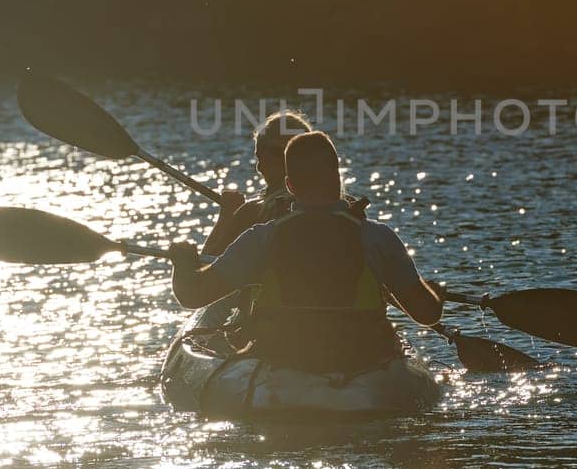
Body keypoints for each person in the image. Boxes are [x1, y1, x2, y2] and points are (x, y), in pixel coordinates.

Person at [169, 131, 443, 374]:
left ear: (289, 186)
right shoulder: (377, 237)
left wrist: (182, 261)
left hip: (284, 362)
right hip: (362, 361)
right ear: (337, 177)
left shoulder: (262, 237)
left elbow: (193, 295)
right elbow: (427, 314)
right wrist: (431, 294)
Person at [202, 109, 311, 256]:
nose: (259, 168)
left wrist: (227, 216)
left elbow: (201, 272)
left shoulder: (252, 213)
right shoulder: (343, 207)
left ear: (280, 159)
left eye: (260, 158)